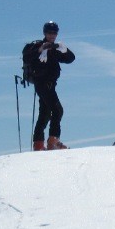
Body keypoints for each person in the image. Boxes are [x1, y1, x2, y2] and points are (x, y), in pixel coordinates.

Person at [22, 21, 76, 150]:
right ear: (45, 33)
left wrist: (64, 49)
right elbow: (27, 57)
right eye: (50, 32)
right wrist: (41, 49)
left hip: (50, 85)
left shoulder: (55, 49)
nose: (52, 35)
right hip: (43, 84)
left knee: (45, 113)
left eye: (54, 33)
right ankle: (53, 140)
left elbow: (70, 58)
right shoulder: (36, 46)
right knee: (57, 110)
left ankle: (38, 143)